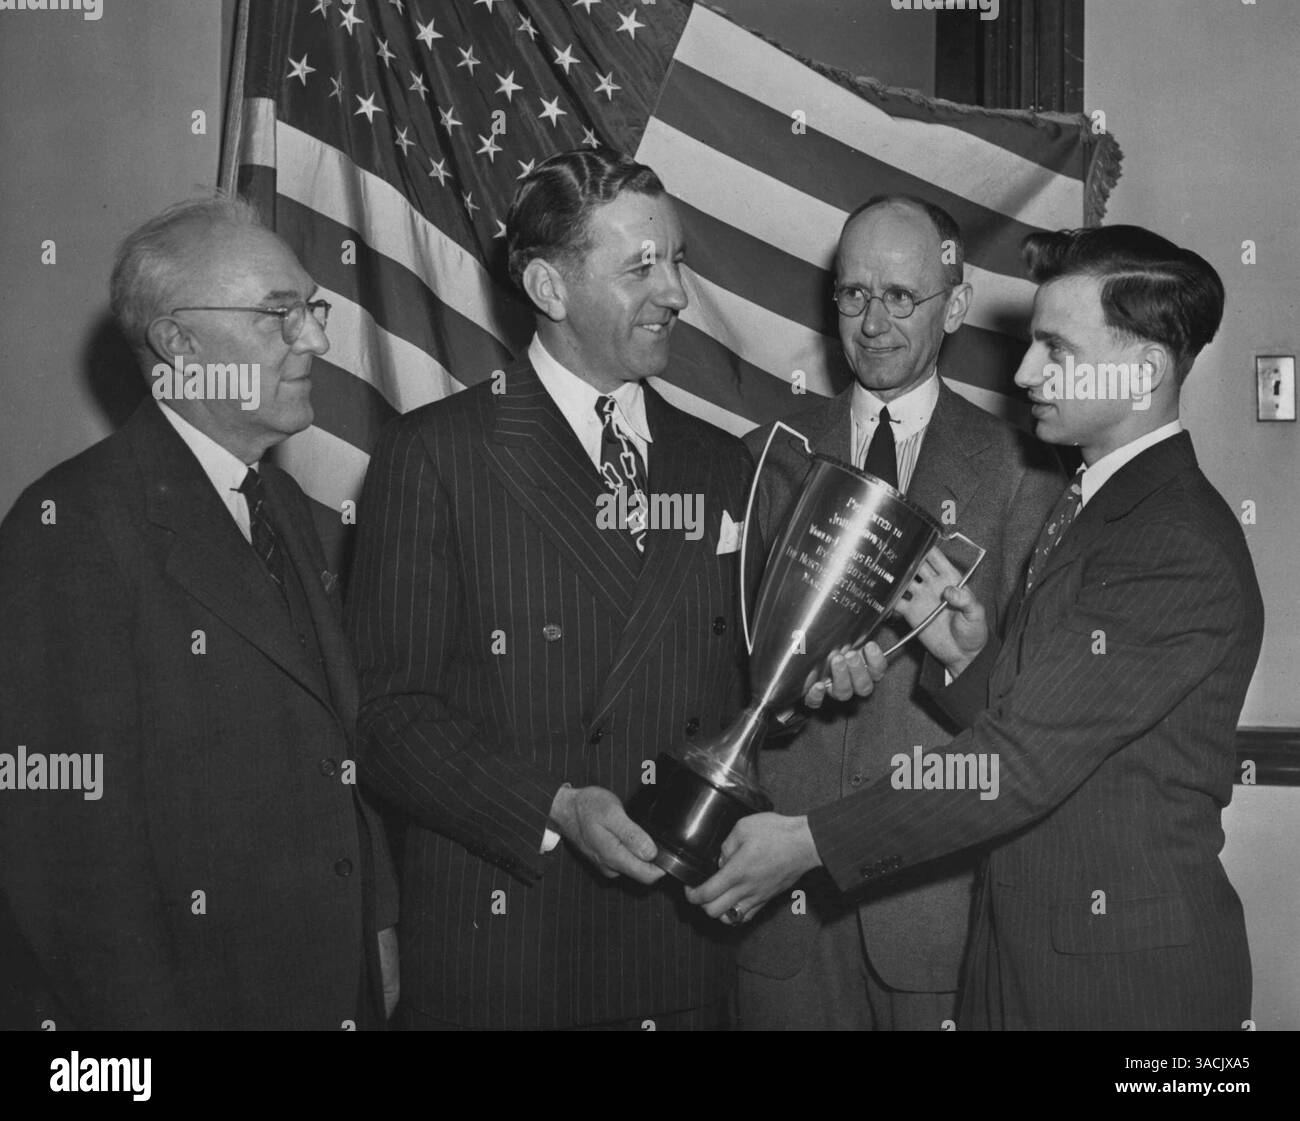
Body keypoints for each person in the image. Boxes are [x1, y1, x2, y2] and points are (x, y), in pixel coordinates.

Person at [687, 224, 1264, 1030]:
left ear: (1146, 372)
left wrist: (812, 839)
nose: (1024, 372)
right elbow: (1053, 722)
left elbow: (1018, 762)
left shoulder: (1170, 541)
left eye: (1056, 351)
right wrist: (965, 662)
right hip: (1033, 961)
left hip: (1120, 988)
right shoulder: (1100, 506)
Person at [346, 148, 865, 1031]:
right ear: (549, 288)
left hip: (674, 958)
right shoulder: (434, 453)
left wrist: (803, 684)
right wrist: (556, 806)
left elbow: (735, 697)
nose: (676, 293)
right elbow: (389, 723)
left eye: (678, 260)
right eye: (642, 267)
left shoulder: (716, 460)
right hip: (504, 956)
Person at [0, 198, 399, 1030]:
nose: (317, 341)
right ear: (179, 345)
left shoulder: (277, 497)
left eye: (312, 309)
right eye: (277, 315)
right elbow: (71, 856)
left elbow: (332, 749)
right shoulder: (72, 526)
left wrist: (378, 925)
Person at [733, 196, 1063, 1030]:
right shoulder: (766, 456)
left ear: (954, 306)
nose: (873, 322)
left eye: (900, 297)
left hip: (936, 920)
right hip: (785, 917)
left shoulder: (1024, 473)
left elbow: (1025, 717)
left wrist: (959, 659)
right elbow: (720, 670)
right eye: (852, 295)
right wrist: (782, 699)